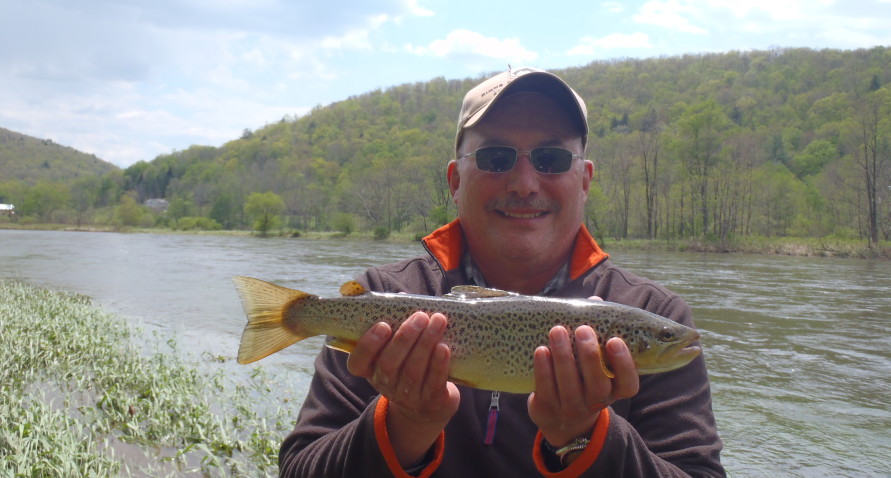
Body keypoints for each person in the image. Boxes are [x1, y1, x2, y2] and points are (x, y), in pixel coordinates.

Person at [278, 67, 724, 477]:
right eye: (495, 158)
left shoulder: (655, 312)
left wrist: (586, 438)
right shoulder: (385, 299)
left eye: (551, 158)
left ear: (585, 181)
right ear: (455, 181)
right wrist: (403, 425)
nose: (524, 184)